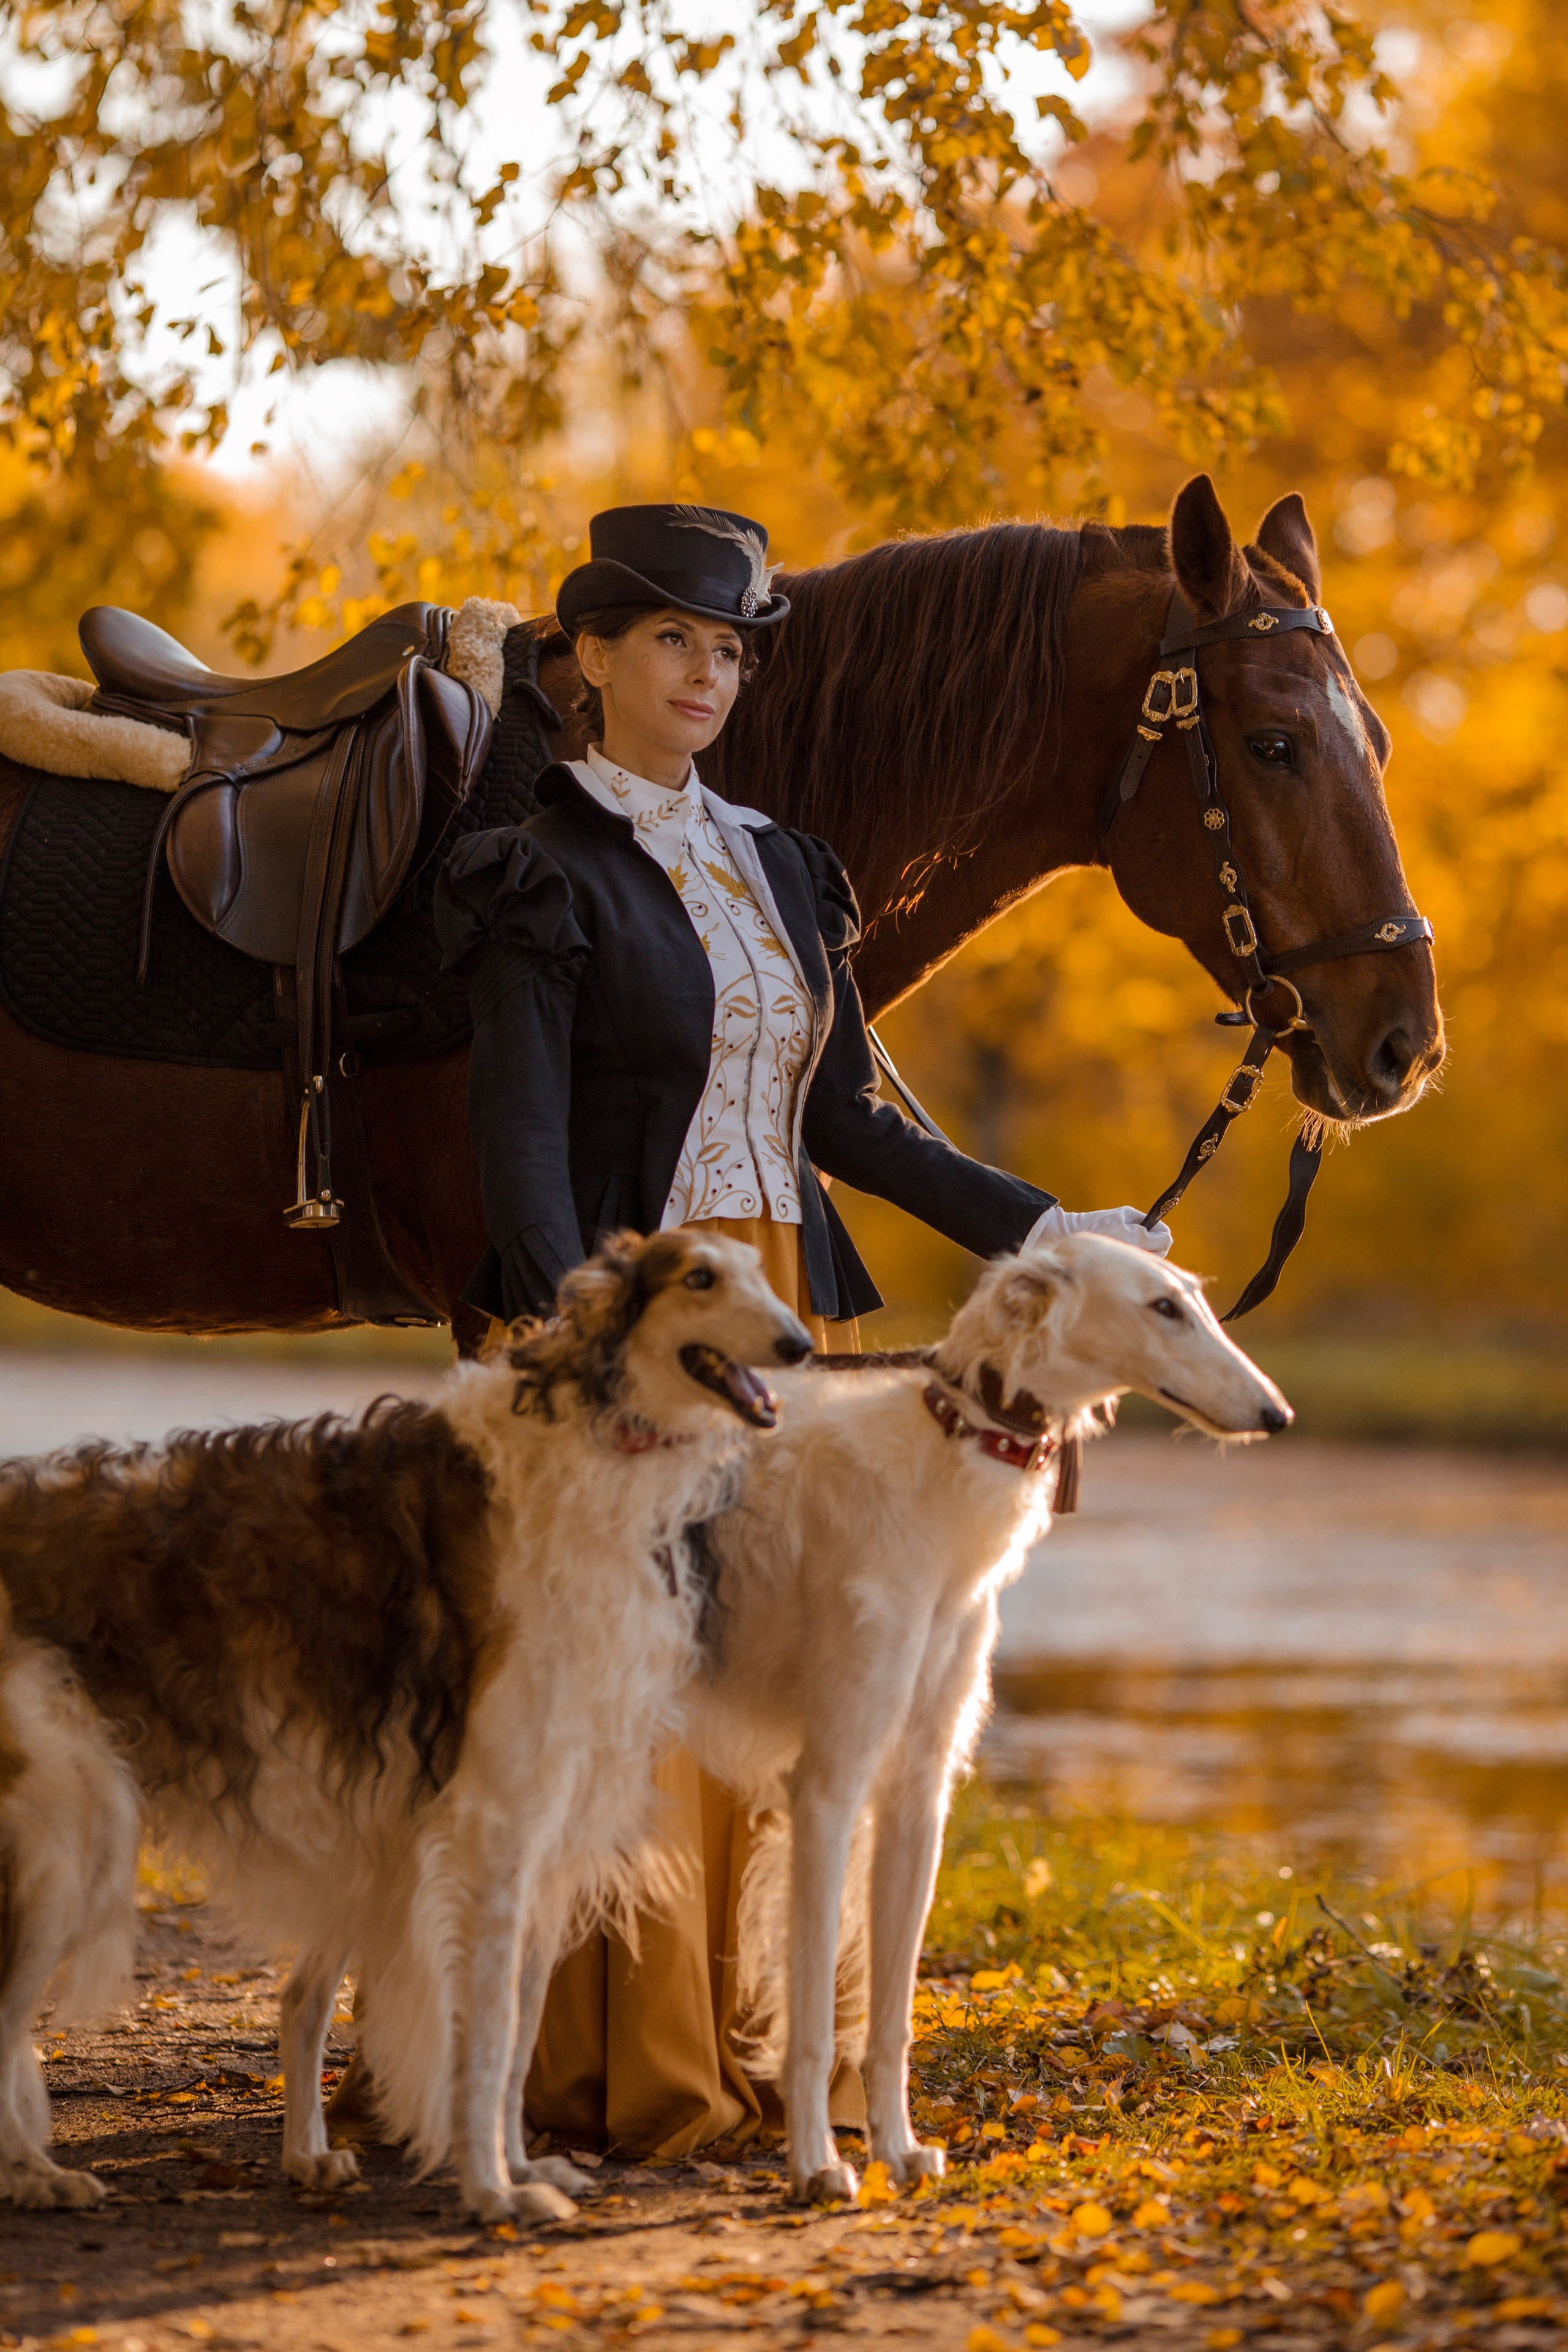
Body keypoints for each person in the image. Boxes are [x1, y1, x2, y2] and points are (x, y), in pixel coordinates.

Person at [431, 502, 1169, 2158]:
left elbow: (844, 1121)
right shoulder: (538, 866)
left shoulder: (776, 861)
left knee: (763, 1671)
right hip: (630, 1314)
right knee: (621, 1674)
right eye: (670, 642)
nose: (705, 675)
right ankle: (604, 2069)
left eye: (728, 650)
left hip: (769, 1308)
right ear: (592, 658)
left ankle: (755, 2053)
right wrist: (572, 1341)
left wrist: (1049, 1228)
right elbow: (519, 1136)